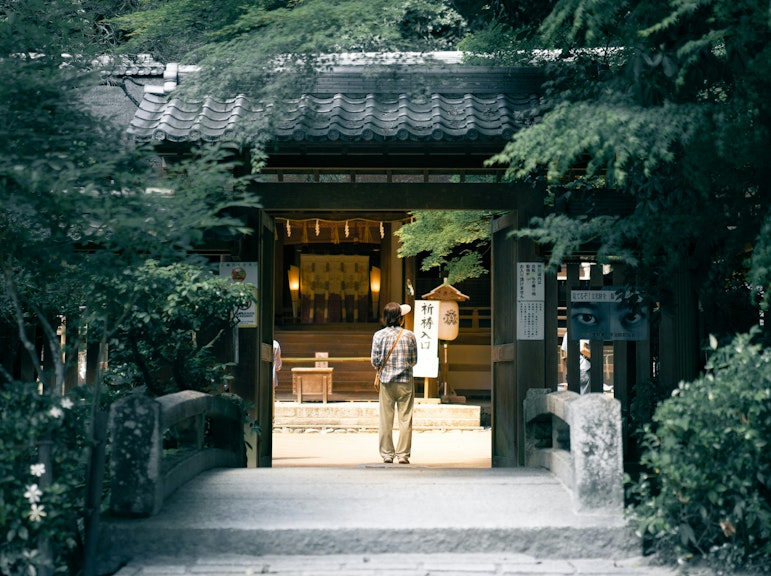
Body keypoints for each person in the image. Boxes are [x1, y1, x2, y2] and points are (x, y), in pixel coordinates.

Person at [371, 302, 418, 464]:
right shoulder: (409, 335)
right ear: (400, 318)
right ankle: (403, 455)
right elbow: (414, 361)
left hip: (386, 382)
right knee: (405, 419)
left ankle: (387, 454)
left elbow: (374, 361)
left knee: (386, 419)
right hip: (405, 381)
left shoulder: (378, 336)